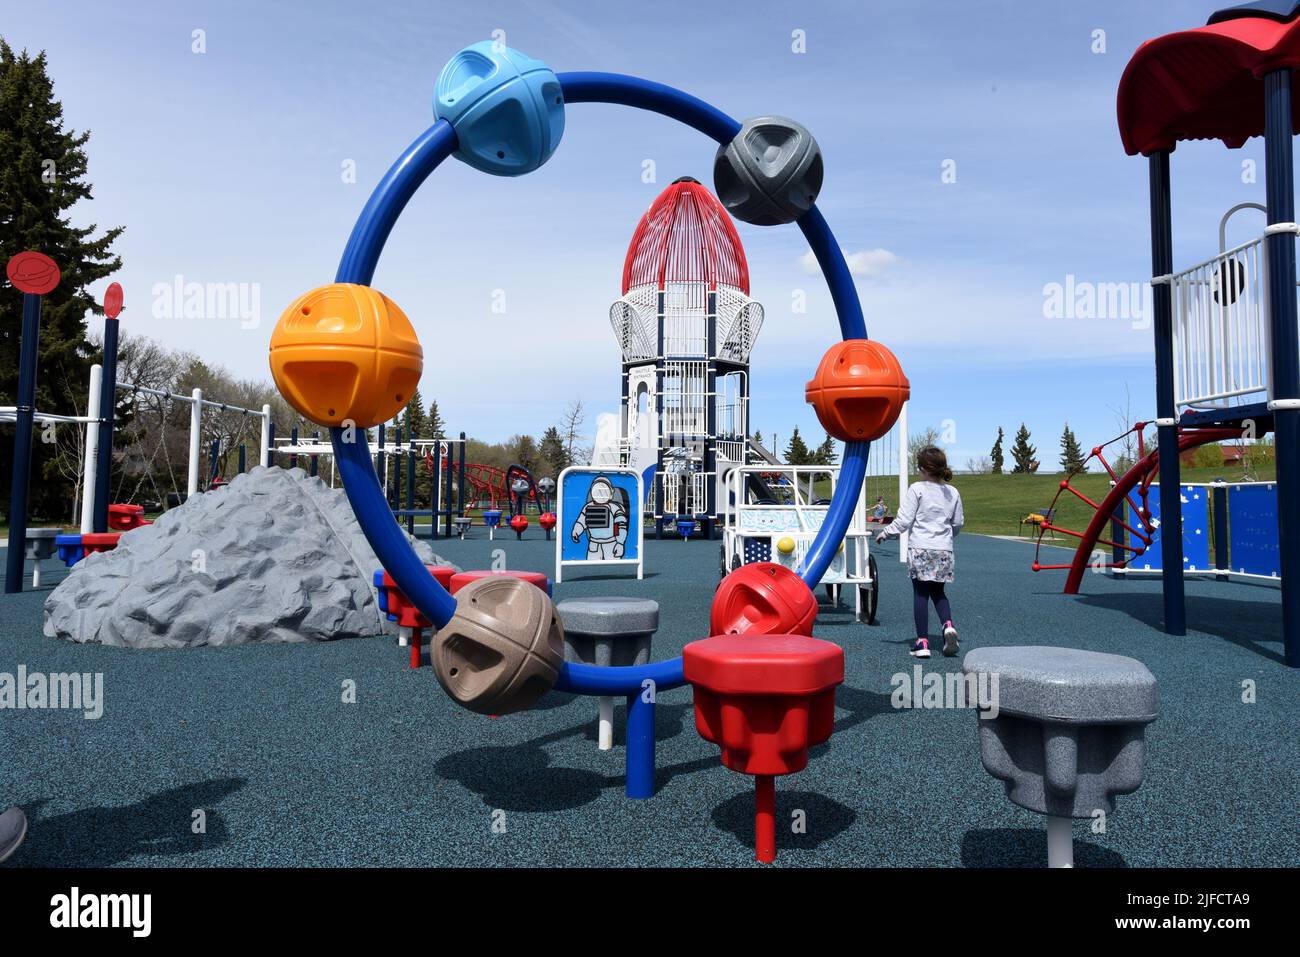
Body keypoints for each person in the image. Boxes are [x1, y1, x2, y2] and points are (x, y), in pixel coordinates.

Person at [876, 446, 964, 658]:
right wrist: (947, 536)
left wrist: (886, 533)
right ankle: (948, 625)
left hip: (920, 547)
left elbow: (904, 520)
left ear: (922, 468)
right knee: (939, 592)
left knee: (921, 593)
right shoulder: (952, 492)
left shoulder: (917, 488)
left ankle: (922, 642)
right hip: (944, 549)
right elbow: (958, 522)